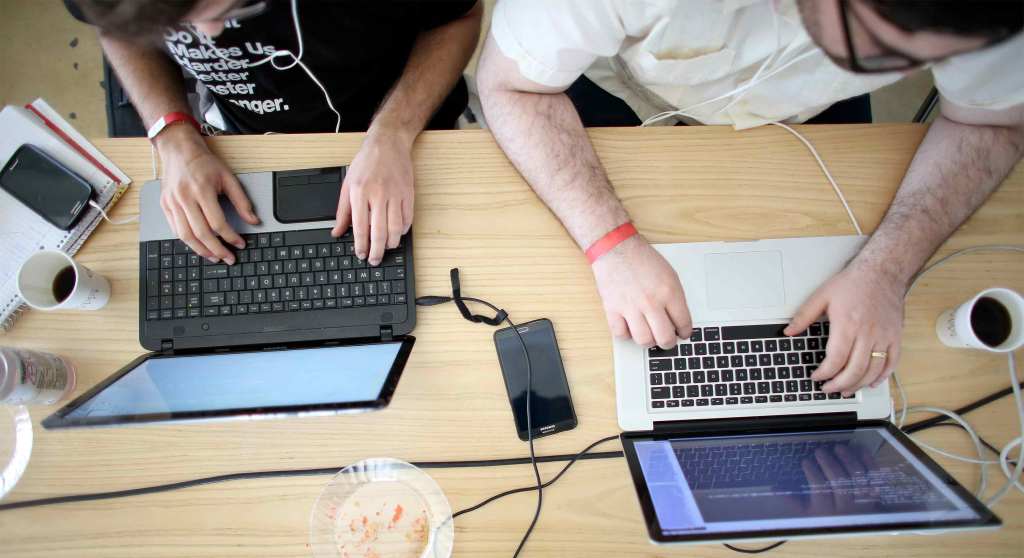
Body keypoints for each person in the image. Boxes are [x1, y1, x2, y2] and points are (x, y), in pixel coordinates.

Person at [477, 0, 1024, 396]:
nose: (897, 73)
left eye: (920, 61)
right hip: (621, 92)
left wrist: (886, 270)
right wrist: (613, 245)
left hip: (810, 121)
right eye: (876, 44)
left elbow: (993, 124)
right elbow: (508, 86)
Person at [69, 0, 482, 267]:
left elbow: (460, 17)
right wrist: (173, 135)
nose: (211, 33)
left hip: (400, 122)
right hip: (236, 143)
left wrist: (392, 133)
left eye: (230, 8)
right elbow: (118, 33)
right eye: (179, 24)